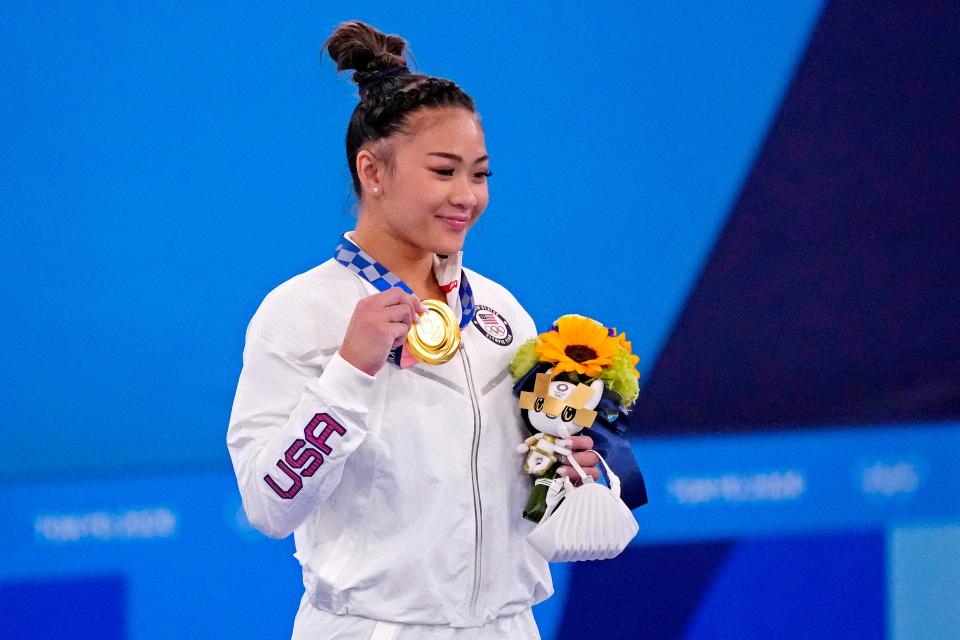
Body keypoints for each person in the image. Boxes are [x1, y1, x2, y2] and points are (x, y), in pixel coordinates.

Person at [226, 21, 603, 639]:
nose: (467, 196)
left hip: (508, 627)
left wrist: (567, 475)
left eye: (479, 174)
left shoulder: (502, 312)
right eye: (444, 171)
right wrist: (350, 370)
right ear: (372, 171)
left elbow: (519, 500)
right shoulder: (300, 312)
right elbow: (270, 505)